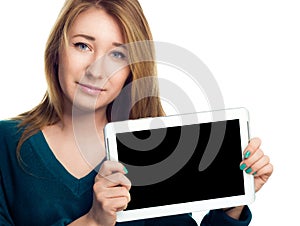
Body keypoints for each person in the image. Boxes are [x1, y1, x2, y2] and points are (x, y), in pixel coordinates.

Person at [0, 0, 273, 225]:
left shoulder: (157, 150)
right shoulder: (5, 143)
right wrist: (94, 221)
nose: (96, 70)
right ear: (57, 51)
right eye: (83, 45)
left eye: (117, 56)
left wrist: (233, 205)